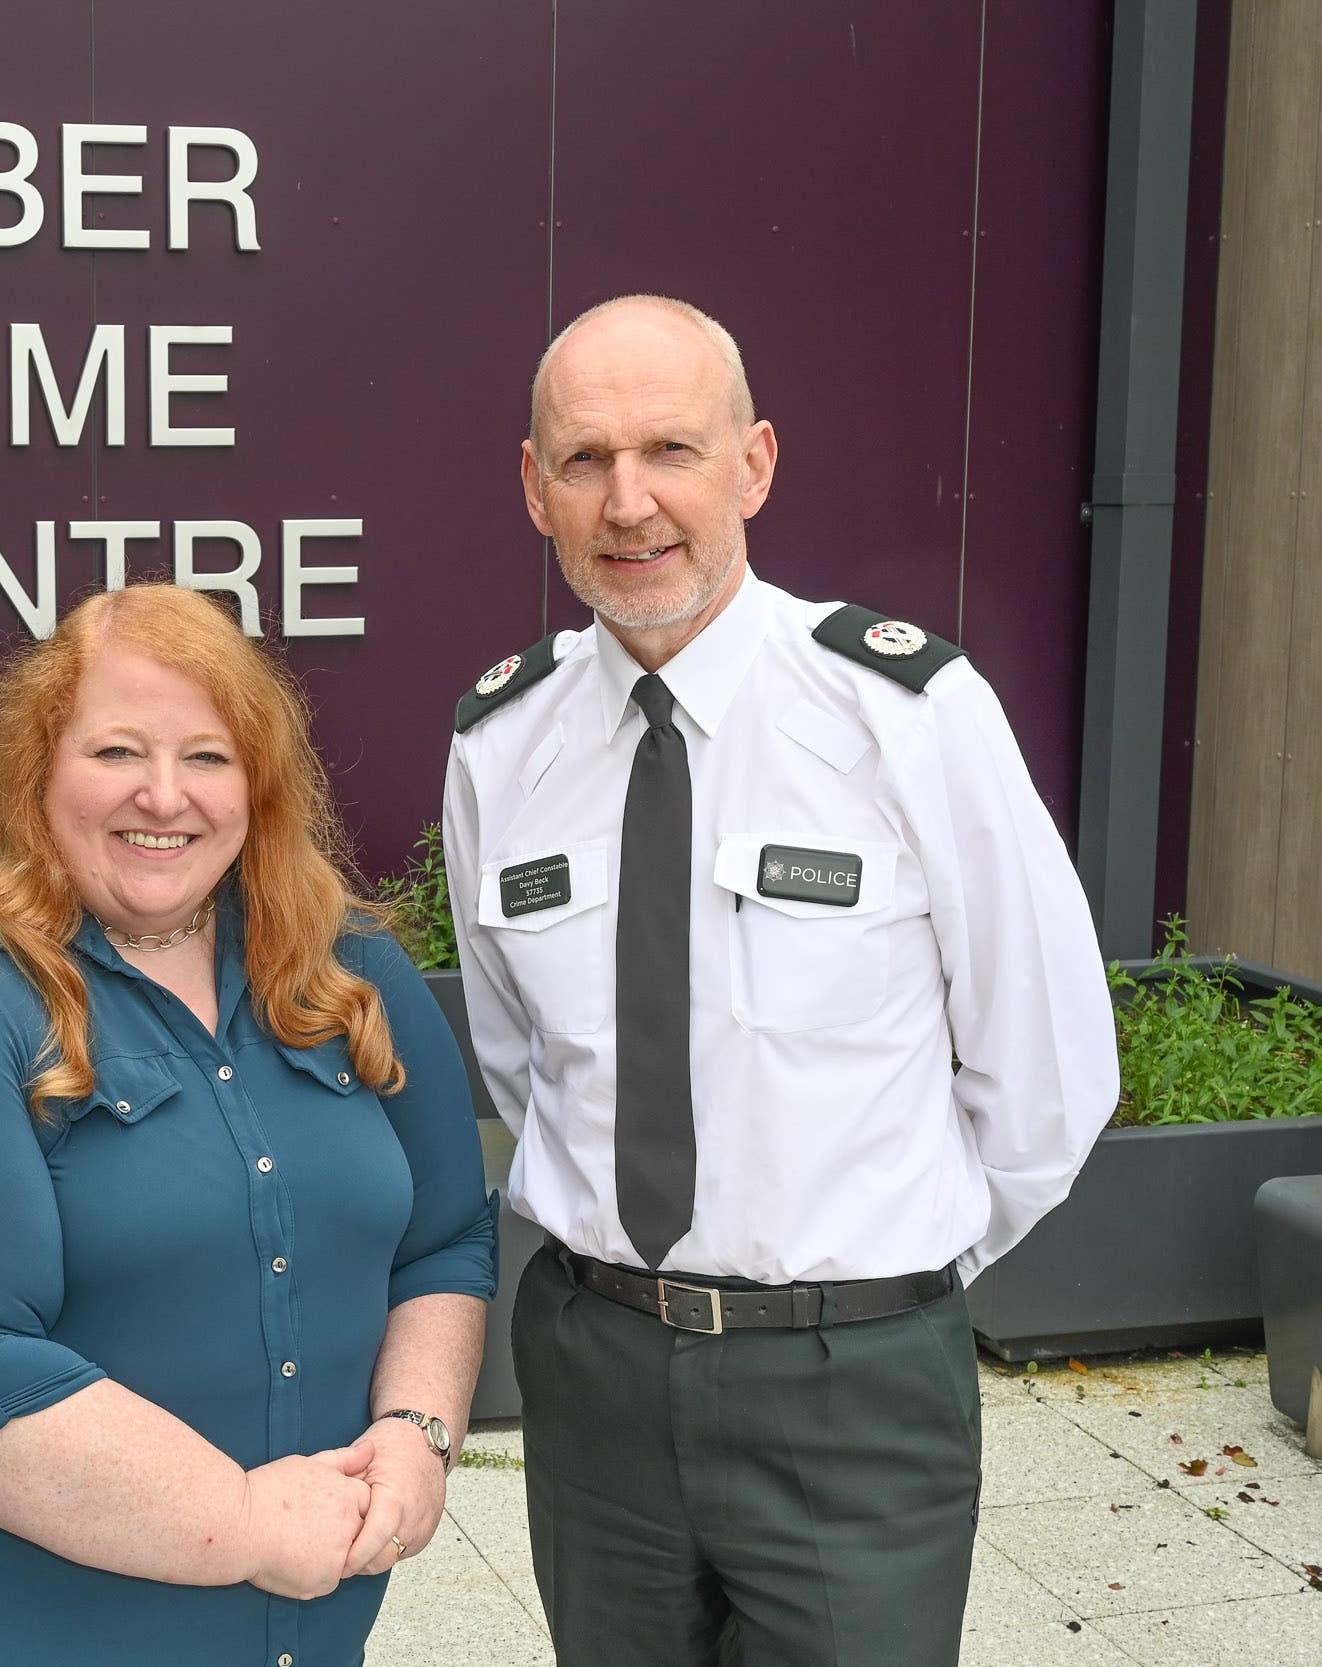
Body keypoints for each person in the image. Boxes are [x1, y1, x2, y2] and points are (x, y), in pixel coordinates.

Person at [443, 294, 1121, 1665]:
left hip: (850, 1388)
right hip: (597, 1374)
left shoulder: (906, 713)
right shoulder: (497, 745)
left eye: (671, 450)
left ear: (752, 463)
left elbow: (1047, 1069)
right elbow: (527, 1064)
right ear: (533, 489)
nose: (628, 501)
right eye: (583, 460)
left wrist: (872, 1281)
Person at [0, 583, 499, 1667]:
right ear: (36, 771)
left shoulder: (345, 967)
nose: (165, 795)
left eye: (207, 756)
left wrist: (417, 1430)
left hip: (298, 1619)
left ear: (258, 781)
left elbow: (444, 1239)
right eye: (116, 751)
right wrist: (247, 1525)